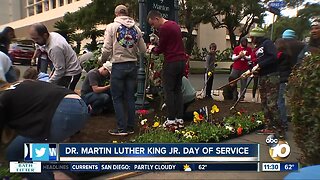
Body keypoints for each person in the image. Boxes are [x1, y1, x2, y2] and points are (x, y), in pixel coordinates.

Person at [0, 80, 89, 179]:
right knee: (42, 151)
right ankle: (84, 168)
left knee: (16, 154)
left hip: (62, 111)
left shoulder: (3, 97)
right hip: (78, 106)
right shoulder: (16, 86)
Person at [100, 5, 146, 136]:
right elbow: (143, 50)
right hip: (132, 66)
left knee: (117, 98)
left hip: (118, 66)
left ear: (117, 14)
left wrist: (102, 60)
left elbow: (107, 49)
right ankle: (131, 127)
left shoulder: (111, 27)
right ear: (127, 13)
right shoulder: (136, 28)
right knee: (130, 97)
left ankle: (121, 129)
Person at [147, 10, 186, 129]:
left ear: (157, 19)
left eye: (153, 24)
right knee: (177, 90)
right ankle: (179, 118)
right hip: (181, 61)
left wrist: (152, 49)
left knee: (168, 91)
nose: (154, 27)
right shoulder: (174, 25)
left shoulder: (164, 28)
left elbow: (161, 48)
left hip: (171, 62)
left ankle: (171, 119)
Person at [243, 27, 283, 138]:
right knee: (264, 103)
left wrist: (260, 65)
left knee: (272, 105)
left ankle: (280, 130)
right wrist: (250, 70)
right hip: (262, 77)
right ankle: (269, 127)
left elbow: (273, 57)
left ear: (257, 36)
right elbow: (255, 61)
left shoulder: (267, 43)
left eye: (252, 37)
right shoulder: (257, 48)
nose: (251, 39)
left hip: (272, 77)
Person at [29, 23, 82, 90]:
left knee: (65, 94)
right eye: (33, 39)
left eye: (36, 39)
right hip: (64, 68)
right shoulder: (53, 35)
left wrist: (48, 83)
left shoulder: (54, 47)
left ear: (45, 35)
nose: (35, 42)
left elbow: (60, 70)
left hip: (71, 72)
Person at [276, 29, 305, 131]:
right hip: (299, 75)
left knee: (281, 101)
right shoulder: (302, 45)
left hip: (284, 77)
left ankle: (283, 123)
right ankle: (299, 123)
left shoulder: (282, 47)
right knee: (296, 100)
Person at [231, 37, 252, 101]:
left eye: (245, 42)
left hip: (244, 68)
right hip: (236, 68)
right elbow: (233, 58)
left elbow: (250, 57)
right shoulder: (237, 48)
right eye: (243, 42)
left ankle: (242, 96)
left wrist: (244, 56)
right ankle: (234, 95)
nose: (244, 43)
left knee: (243, 83)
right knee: (233, 81)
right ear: (241, 42)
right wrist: (239, 56)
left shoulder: (249, 49)